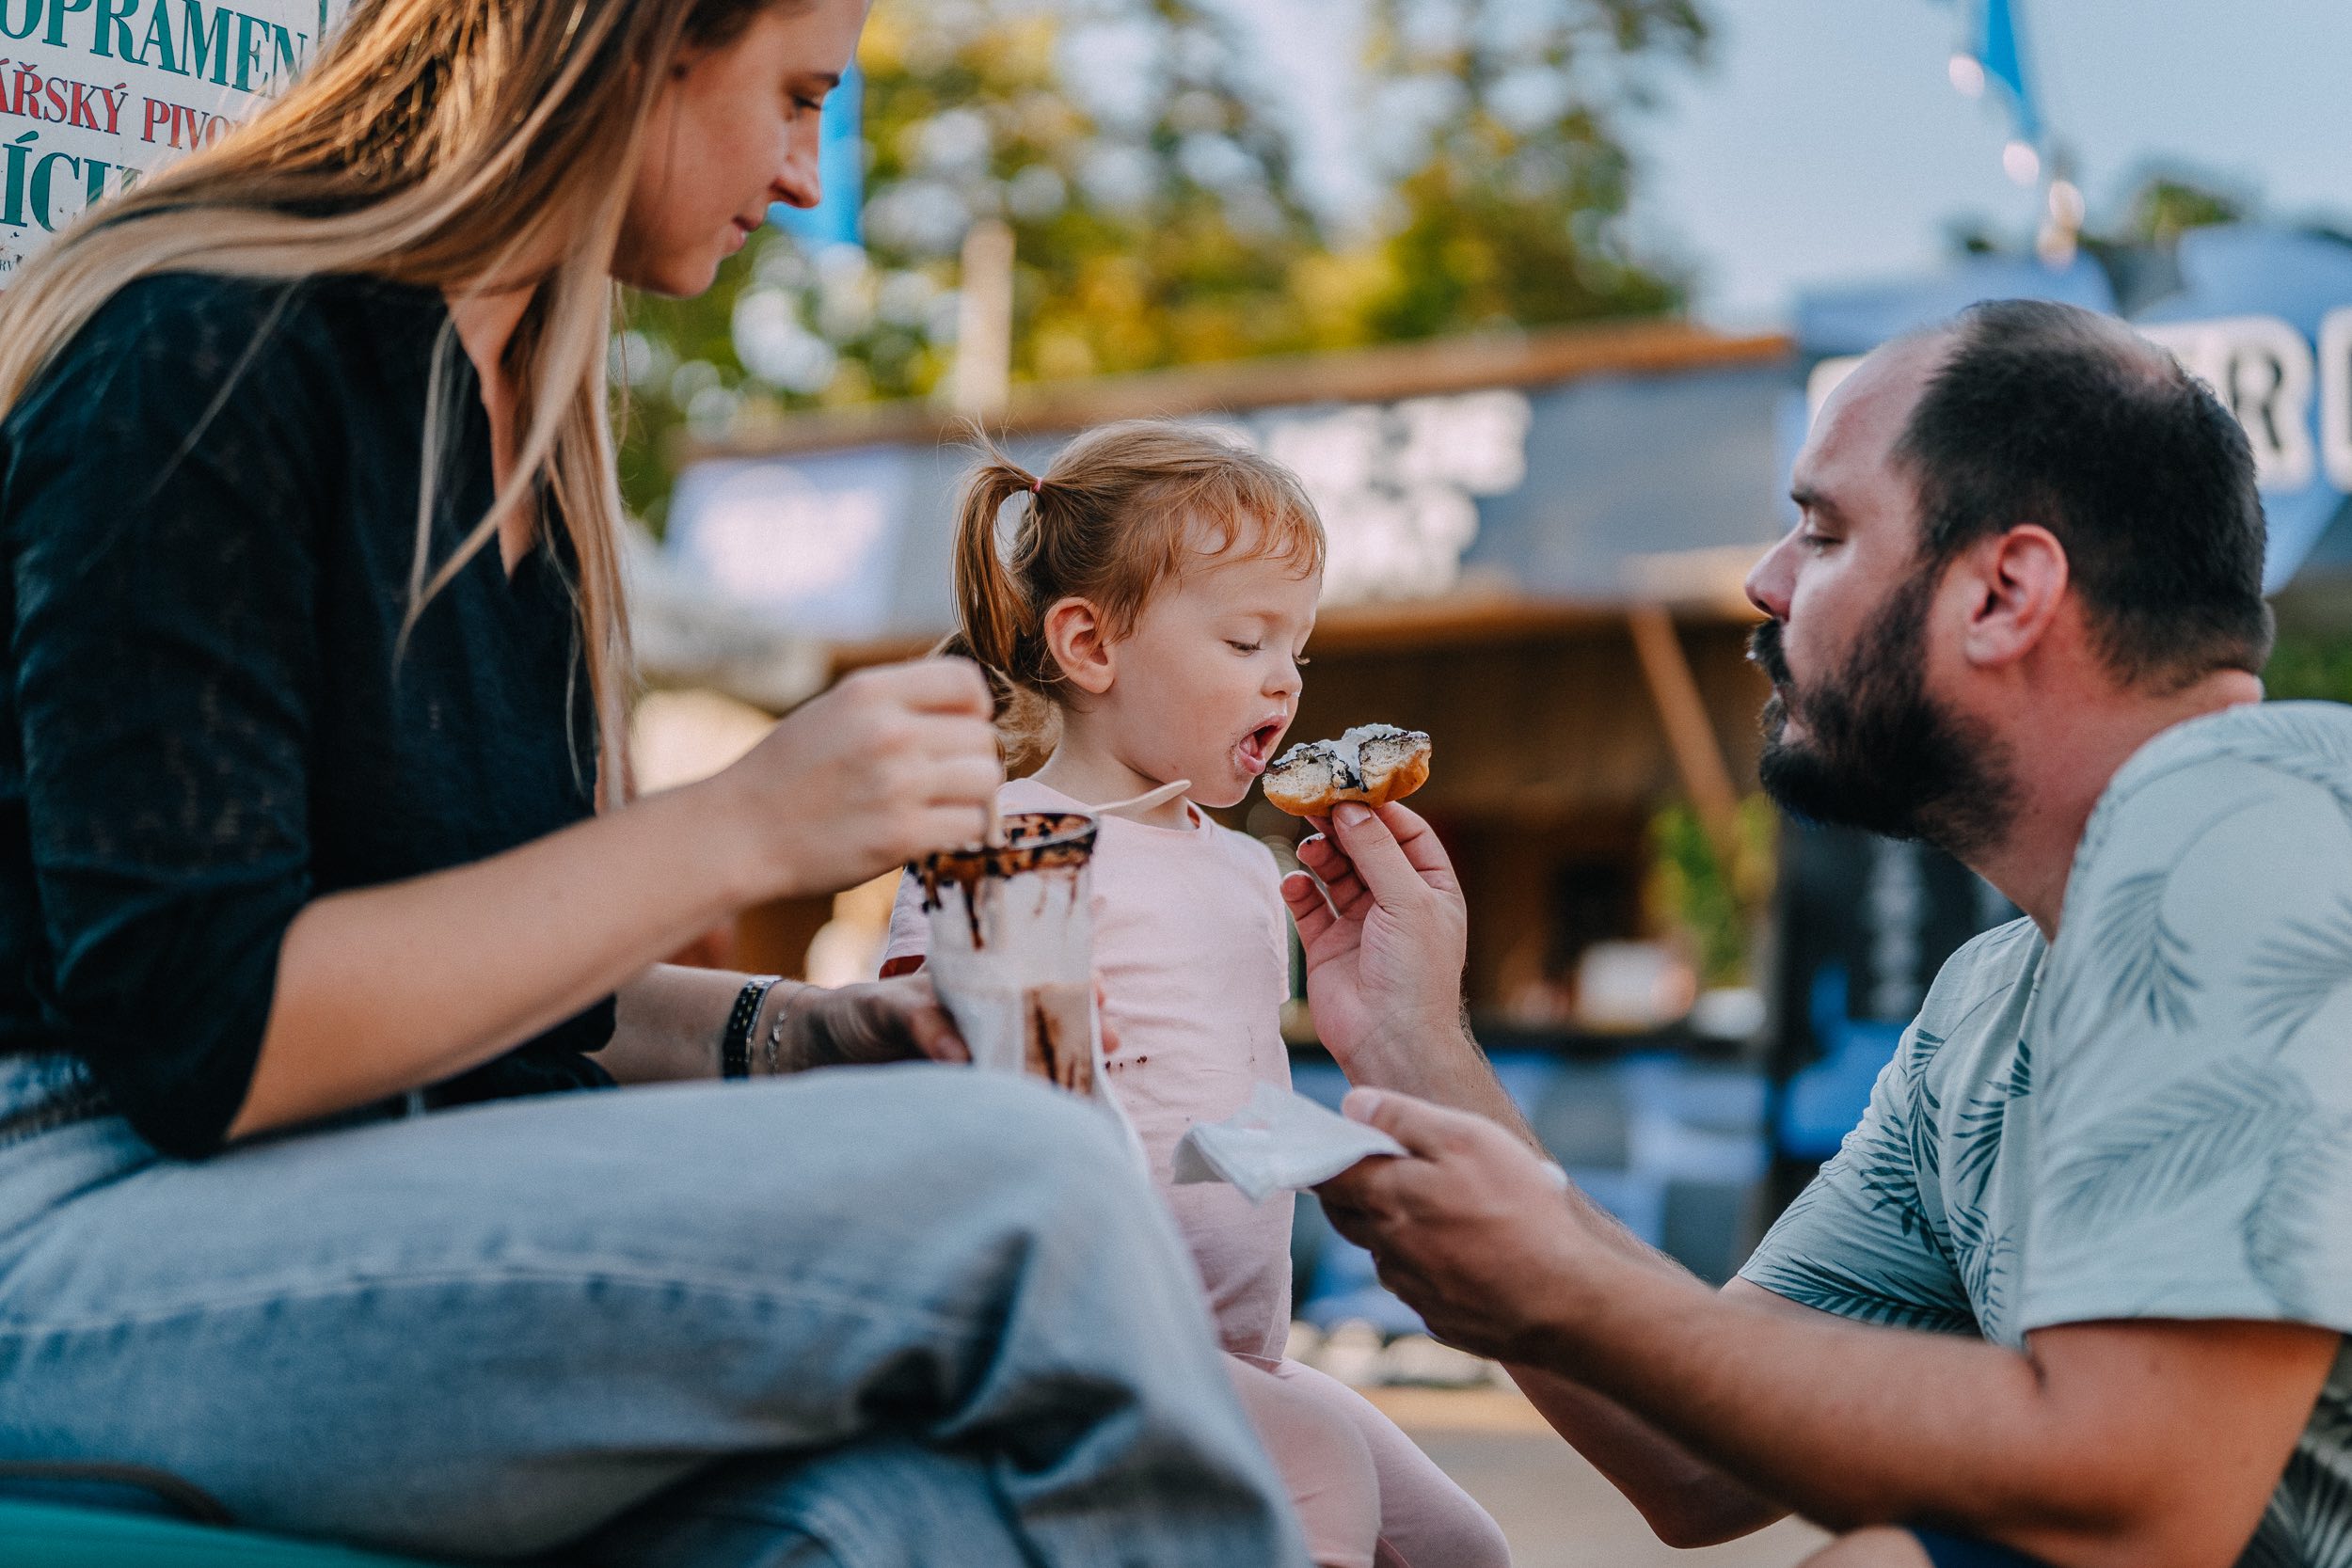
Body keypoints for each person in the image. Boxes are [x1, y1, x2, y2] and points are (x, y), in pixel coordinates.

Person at [0, 2, 1311, 1563]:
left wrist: (797, 1036)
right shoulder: (206, 350)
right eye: (798, 95)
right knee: (1029, 1183)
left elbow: (492, 967)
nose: (811, 176)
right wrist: (741, 827)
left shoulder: (519, 438)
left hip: (377, 1179)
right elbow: (215, 1031)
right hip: (83, 1214)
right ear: (634, 46)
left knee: (902, 1521)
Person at [1305, 298, 2352, 1568]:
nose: (1766, 581)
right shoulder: (1992, 999)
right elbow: (1696, 1455)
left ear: (2006, 589)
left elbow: (2136, 1487)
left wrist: (1562, 1284)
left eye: (1823, 528)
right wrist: (1415, 1041)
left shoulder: (2255, 810)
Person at [877, 421, 1512, 1568]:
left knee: (1461, 1544)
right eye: (1243, 638)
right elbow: (939, 1087)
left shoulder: (1240, 866)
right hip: (1080, 1339)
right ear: (1088, 642)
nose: (1283, 678)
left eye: (1299, 650)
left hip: (1239, 1345)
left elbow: (1217, 1113)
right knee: (1324, 1472)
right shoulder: (1009, 842)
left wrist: (1344, 1145)